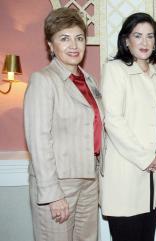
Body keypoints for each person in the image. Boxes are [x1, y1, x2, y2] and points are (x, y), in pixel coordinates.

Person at [24, 8, 103, 241]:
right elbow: (39, 140)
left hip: (90, 179)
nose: (74, 45)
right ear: (50, 45)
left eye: (79, 38)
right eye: (64, 38)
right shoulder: (43, 80)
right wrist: (52, 194)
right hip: (59, 184)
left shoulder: (89, 81)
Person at [99, 12, 156, 241]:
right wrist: (146, 158)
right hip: (126, 175)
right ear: (126, 40)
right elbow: (113, 120)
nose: (144, 42)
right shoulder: (115, 70)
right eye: (138, 36)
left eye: (150, 37)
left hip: (153, 179)